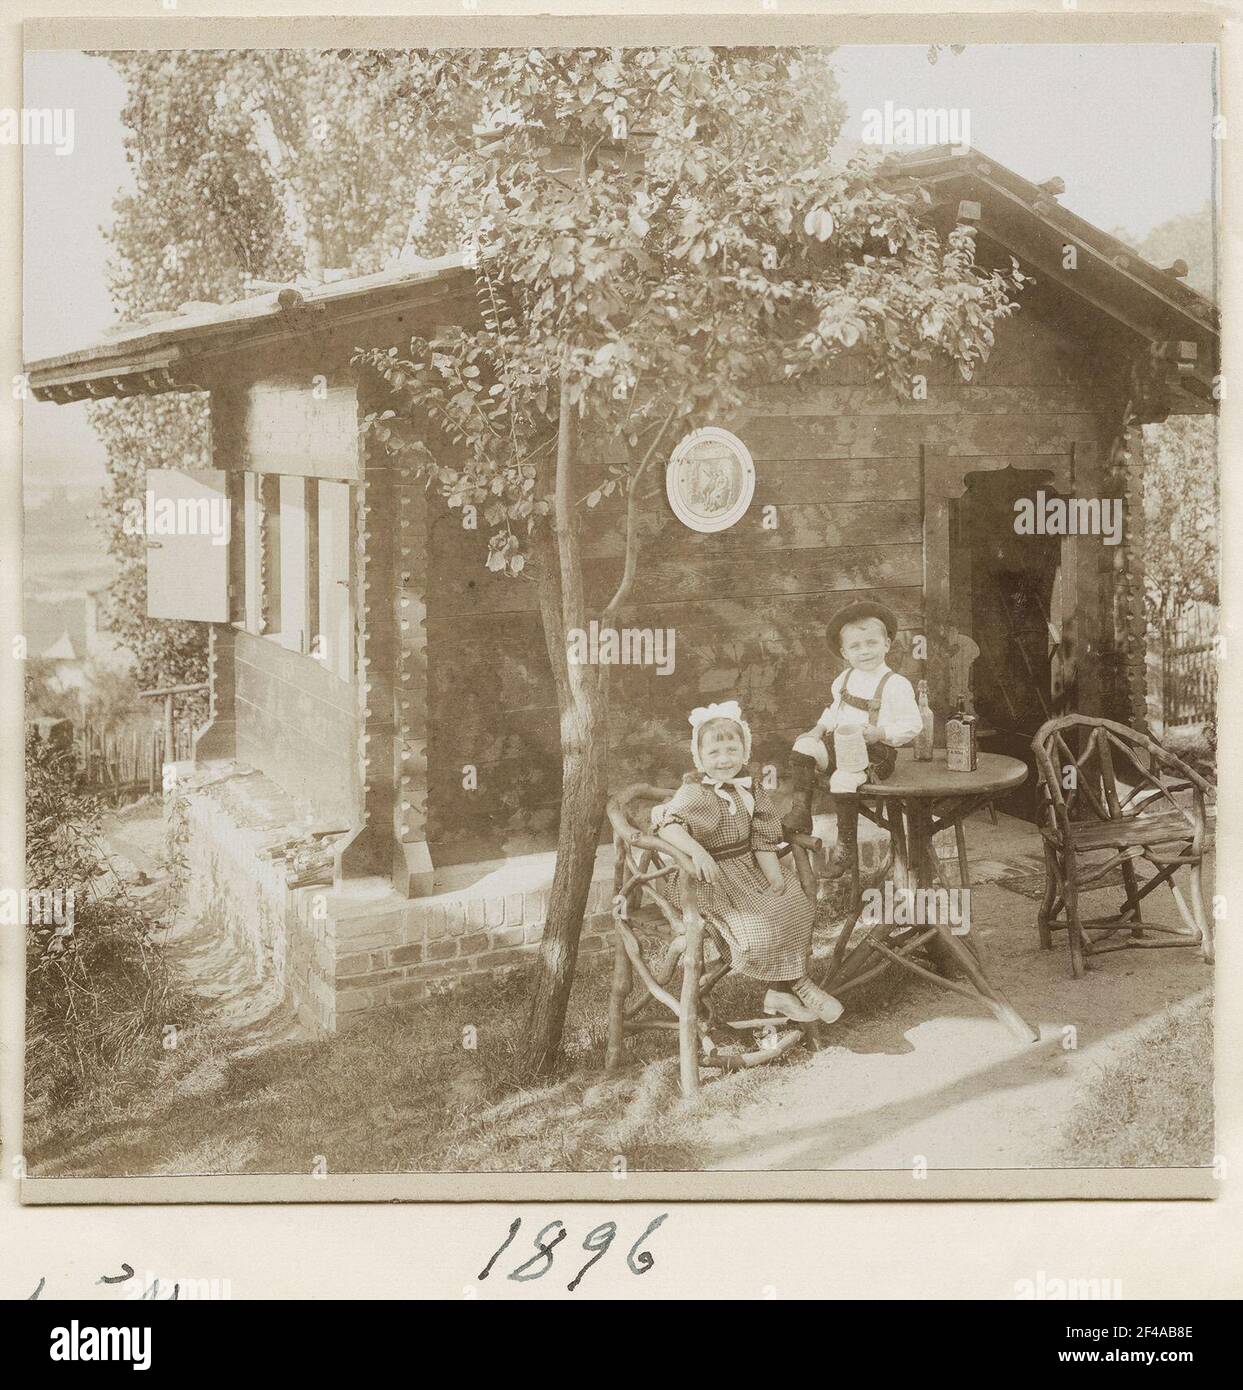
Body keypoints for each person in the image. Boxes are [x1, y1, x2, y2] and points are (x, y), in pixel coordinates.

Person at [651, 700, 843, 1025]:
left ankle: (779, 992)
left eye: (731, 750)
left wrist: (773, 874)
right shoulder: (694, 791)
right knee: (756, 929)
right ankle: (798, 987)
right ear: (700, 758)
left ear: (745, 751)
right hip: (709, 879)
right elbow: (666, 824)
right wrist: (697, 852)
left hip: (748, 868)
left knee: (795, 904)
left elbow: (761, 834)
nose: (724, 760)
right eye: (714, 753)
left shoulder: (750, 787)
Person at [786, 601, 922, 877]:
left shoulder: (896, 684)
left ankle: (845, 846)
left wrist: (881, 732)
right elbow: (833, 711)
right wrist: (818, 729)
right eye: (856, 647)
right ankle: (801, 813)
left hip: (875, 755)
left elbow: (913, 725)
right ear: (844, 653)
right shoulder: (844, 679)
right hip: (840, 747)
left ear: (887, 644)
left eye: (871, 643)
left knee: (842, 779)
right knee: (803, 746)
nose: (865, 651)